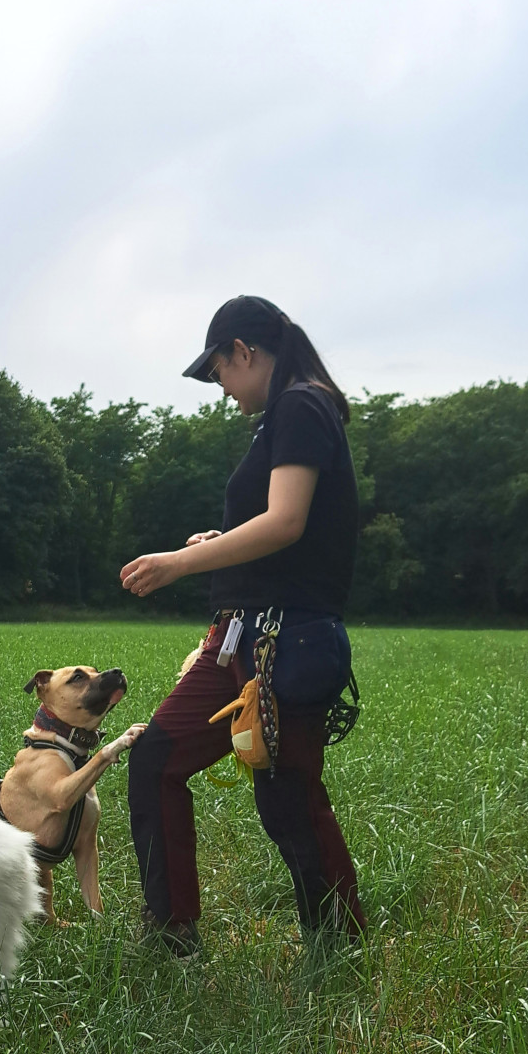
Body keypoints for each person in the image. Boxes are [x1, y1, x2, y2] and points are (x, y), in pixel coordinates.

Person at [119, 295, 366, 955]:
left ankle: (340, 942)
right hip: (244, 637)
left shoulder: (301, 405)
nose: (222, 389)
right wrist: (219, 540)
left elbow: (287, 523)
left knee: (288, 797)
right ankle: (172, 934)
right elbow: (278, 530)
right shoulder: (282, 415)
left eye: (220, 372)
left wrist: (183, 560)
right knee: (158, 759)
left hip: (285, 642)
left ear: (244, 353)